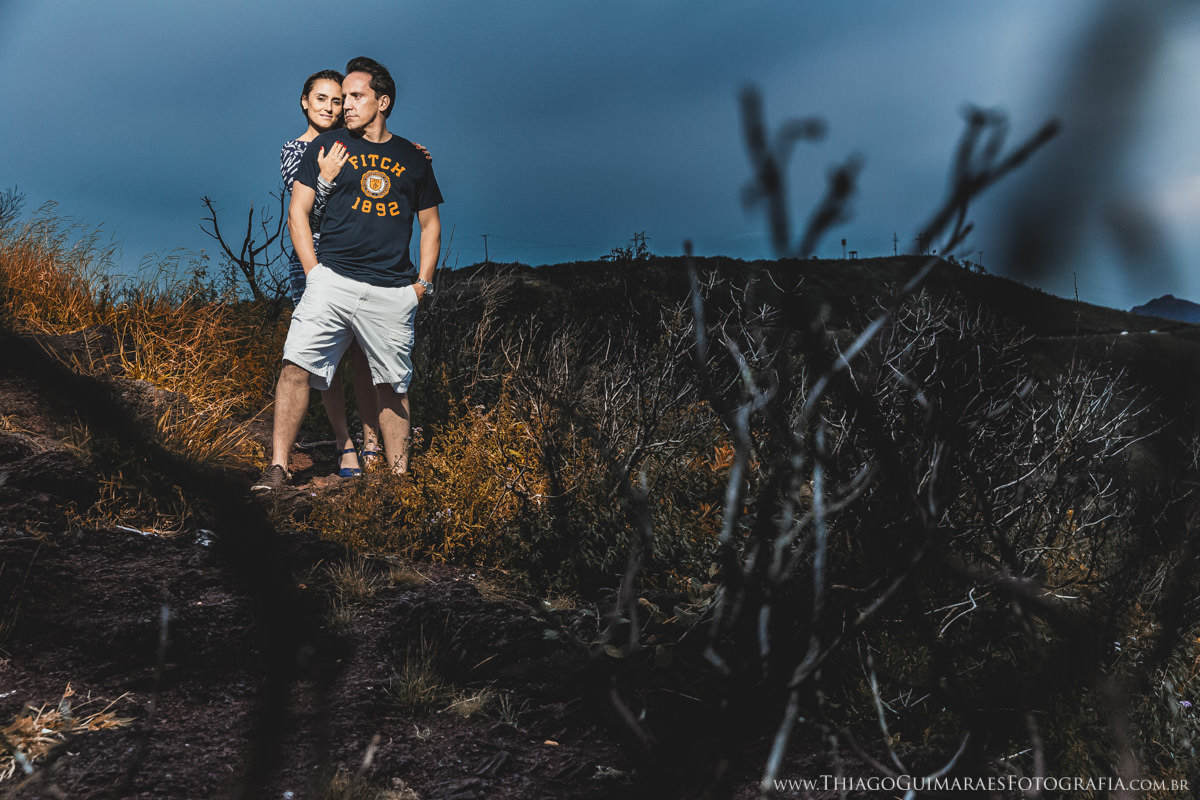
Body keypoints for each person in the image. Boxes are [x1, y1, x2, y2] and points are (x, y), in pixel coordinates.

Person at [253, 56, 442, 492]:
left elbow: (430, 224)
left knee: (392, 383)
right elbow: (297, 213)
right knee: (297, 364)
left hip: (393, 289)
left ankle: (396, 486)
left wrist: (422, 285)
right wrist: (315, 273)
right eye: (339, 98)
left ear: (383, 101)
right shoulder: (324, 148)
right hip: (330, 278)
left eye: (354, 97)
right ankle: (278, 469)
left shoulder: (413, 159)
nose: (344, 107)